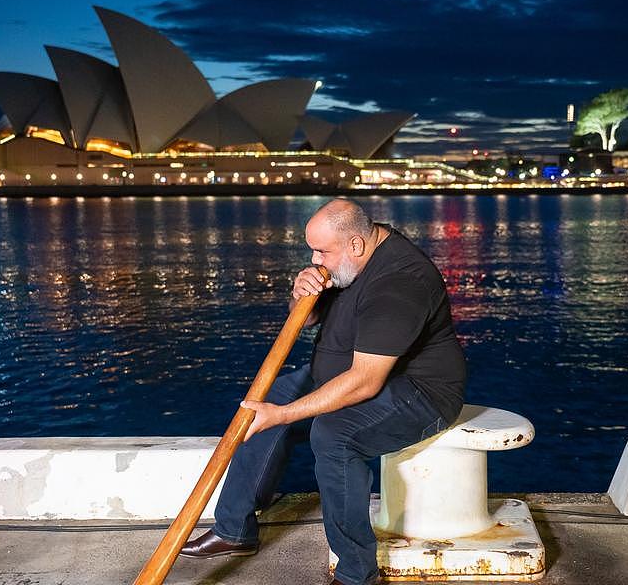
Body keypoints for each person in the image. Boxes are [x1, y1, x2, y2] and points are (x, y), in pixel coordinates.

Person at [180, 198, 466, 585]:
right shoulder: (349, 257)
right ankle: (234, 530)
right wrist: (301, 294)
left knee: (334, 436)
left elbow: (366, 381)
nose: (315, 258)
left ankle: (356, 574)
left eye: (321, 251)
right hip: (348, 372)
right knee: (270, 397)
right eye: (312, 249)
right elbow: (310, 317)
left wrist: (283, 416)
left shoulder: (400, 282)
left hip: (420, 392)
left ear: (355, 245)